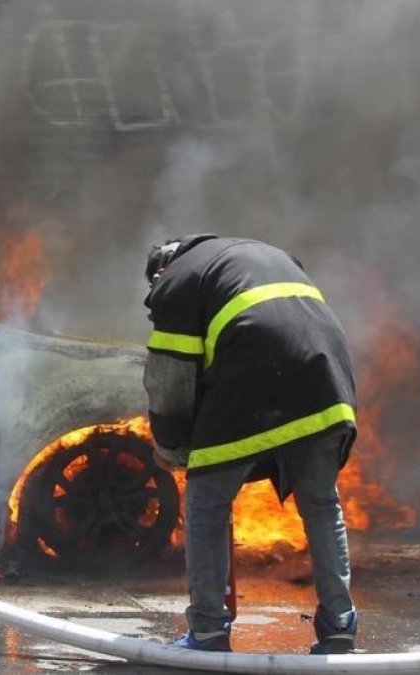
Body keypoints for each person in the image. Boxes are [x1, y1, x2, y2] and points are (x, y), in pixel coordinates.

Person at [142, 234, 358, 654]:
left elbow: (170, 385)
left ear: (161, 271)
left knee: (206, 504)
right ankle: (340, 625)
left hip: (255, 386)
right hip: (328, 383)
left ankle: (207, 629)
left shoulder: (176, 281)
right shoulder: (268, 256)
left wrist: (173, 450)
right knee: (320, 504)